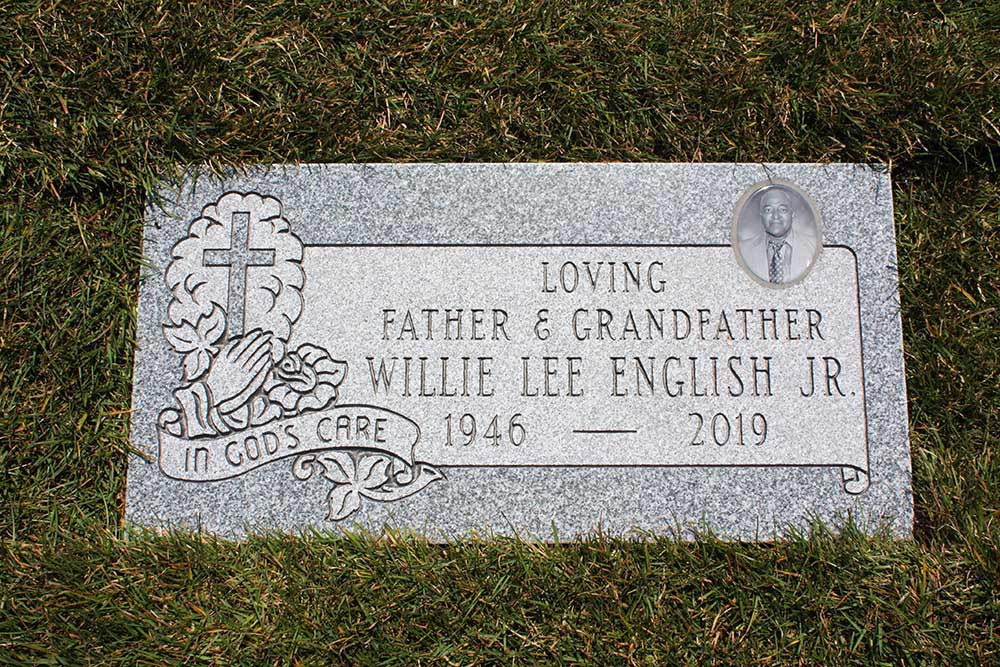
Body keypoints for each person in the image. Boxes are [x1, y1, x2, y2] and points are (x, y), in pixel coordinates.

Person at [737, 186, 818, 285]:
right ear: (761, 214)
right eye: (768, 210)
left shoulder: (814, 247)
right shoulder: (743, 249)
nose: (775, 216)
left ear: (792, 214)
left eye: (782, 210)